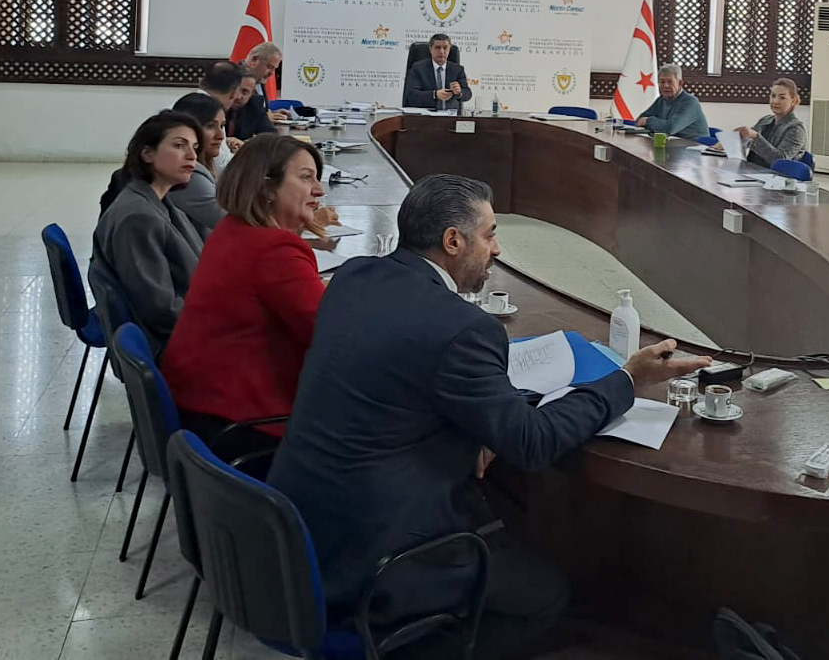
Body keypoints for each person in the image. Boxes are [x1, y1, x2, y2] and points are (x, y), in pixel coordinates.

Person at [267, 174, 709, 659]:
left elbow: (395, 384)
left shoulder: (354, 277)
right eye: (490, 234)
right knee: (546, 595)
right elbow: (532, 442)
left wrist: (475, 423)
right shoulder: (463, 330)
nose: (497, 249)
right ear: (452, 241)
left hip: (296, 529)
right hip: (373, 560)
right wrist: (627, 379)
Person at [162, 135, 329, 464]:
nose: (319, 190)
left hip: (200, 411)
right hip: (241, 429)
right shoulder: (276, 251)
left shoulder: (233, 229)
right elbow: (331, 337)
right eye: (306, 177)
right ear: (267, 188)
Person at [91, 111, 205, 356]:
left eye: (195, 148)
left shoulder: (158, 201)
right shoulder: (139, 218)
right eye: (179, 145)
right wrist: (220, 320)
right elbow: (161, 310)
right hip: (172, 345)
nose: (192, 156)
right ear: (147, 154)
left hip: (187, 325)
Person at [166, 93, 227, 235]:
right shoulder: (188, 173)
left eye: (222, 126)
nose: (221, 135)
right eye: (210, 126)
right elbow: (230, 221)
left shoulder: (204, 165)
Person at [735, 77, 808, 167]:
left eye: (782, 97)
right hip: (752, 170)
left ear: (793, 101)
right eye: (773, 96)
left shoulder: (796, 129)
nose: (775, 101)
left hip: (776, 175)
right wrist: (737, 138)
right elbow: (748, 142)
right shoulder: (765, 120)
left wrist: (756, 137)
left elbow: (780, 160)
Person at [636, 63, 709, 139]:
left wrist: (648, 121)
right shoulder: (661, 100)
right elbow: (640, 120)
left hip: (695, 144)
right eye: (662, 82)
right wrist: (650, 122)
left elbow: (671, 128)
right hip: (673, 143)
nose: (665, 85)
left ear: (680, 83)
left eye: (670, 82)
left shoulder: (690, 102)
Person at [403, 33, 471, 111]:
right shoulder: (418, 68)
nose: (441, 51)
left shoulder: (457, 69)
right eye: (437, 48)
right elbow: (411, 96)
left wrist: (459, 93)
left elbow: (468, 93)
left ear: (449, 49)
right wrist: (434, 94)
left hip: (450, 116)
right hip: (425, 116)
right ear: (430, 49)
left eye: (445, 48)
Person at [241, 41, 293, 122]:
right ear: (254, 60)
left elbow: (258, 111)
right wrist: (263, 117)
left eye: (274, 69)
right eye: (269, 67)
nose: (272, 73)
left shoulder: (259, 78)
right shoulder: (234, 78)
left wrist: (272, 114)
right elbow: (233, 114)